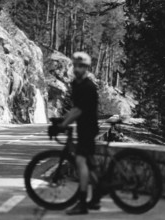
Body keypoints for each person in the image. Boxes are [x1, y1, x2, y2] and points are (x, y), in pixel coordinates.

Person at [59, 52, 100, 215]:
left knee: (81, 162)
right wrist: (63, 121)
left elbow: (78, 111)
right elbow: (73, 109)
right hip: (83, 128)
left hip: (88, 129)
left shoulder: (88, 86)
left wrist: (63, 124)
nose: (77, 68)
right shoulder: (76, 84)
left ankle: (82, 203)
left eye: (81, 66)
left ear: (87, 68)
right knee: (90, 164)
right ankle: (96, 198)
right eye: (75, 65)